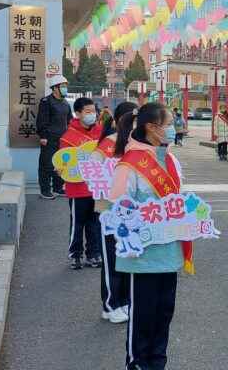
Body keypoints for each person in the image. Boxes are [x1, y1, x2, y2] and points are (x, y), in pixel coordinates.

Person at [109, 102, 185, 370]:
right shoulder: (129, 164)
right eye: (169, 124)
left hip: (168, 253)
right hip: (142, 256)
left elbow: (179, 202)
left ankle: (158, 363)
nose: (174, 129)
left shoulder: (171, 159)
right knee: (143, 316)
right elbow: (118, 207)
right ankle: (138, 364)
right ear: (152, 128)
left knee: (164, 313)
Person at [90, 101, 137, 324]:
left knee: (127, 256)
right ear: (120, 120)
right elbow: (91, 171)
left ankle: (125, 300)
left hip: (131, 211)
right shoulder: (108, 143)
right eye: (132, 119)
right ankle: (110, 305)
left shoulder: (135, 144)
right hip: (109, 210)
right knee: (110, 258)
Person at [60, 97, 104, 270]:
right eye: (88, 112)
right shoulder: (68, 137)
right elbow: (63, 164)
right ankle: (75, 255)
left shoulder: (101, 133)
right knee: (77, 224)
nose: (92, 115)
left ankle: (93, 254)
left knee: (95, 223)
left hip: (97, 188)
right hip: (77, 189)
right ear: (77, 113)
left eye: (93, 111)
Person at [36, 74, 73, 199]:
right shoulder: (46, 101)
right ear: (55, 88)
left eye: (65, 86)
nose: (65, 89)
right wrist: (43, 136)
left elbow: (70, 121)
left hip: (62, 139)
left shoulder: (65, 103)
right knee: (46, 165)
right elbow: (42, 120)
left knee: (60, 164)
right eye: (62, 86)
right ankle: (45, 190)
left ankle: (58, 188)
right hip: (49, 138)